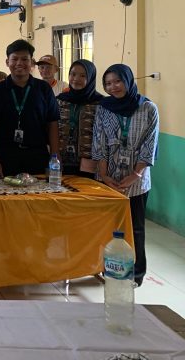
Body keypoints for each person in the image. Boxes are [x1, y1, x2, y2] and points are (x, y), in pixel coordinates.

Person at [92, 64, 159, 287]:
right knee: (108, 226)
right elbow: (99, 142)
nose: (113, 87)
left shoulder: (148, 108)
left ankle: (136, 275)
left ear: (128, 81)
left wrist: (136, 174)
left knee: (135, 228)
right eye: (108, 83)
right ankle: (108, 269)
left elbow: (149, 145)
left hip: (137, 181)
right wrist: (103, 174)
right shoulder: (104, 108)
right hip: (108, 177)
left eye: (117, 81)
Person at [0, 39, 60, 177]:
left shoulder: (43, 89)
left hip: (37, 155)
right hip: (6, 157)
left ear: (32, 62)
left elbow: (53, 123)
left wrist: (55, 157)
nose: (19, 63)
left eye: (25, 59)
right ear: (7, 62)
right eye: (15, 59)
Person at [56, 60, 103, 176]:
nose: (76, 79)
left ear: (91, 78)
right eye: (73, 74)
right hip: (61, 160)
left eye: (83, 76)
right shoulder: (60, 100)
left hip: (90, 163)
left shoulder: (100, 103)